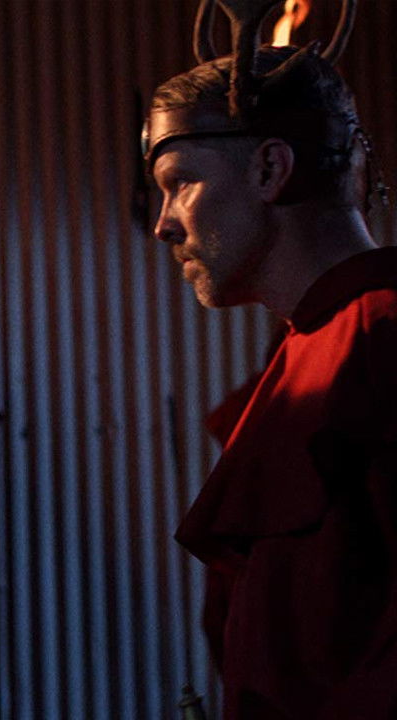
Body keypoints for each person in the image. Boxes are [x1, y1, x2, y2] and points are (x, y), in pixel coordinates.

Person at [144, 2, 397, 716]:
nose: (163, 225)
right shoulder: (307, 345)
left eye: (180, 183)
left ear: (269, 168)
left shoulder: (380, 337)